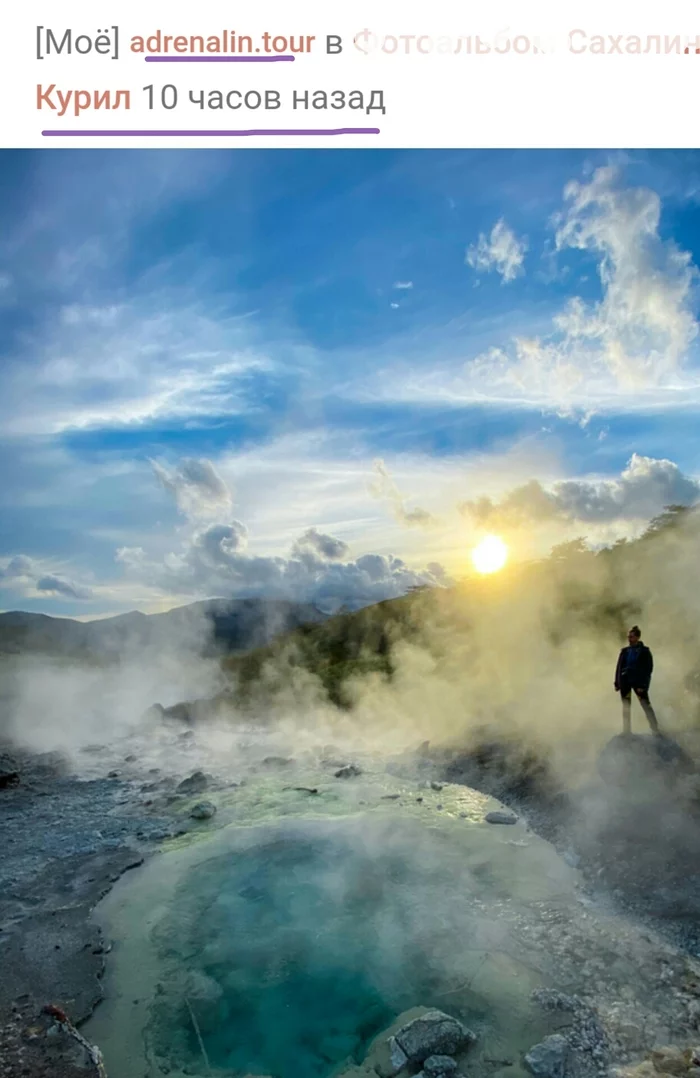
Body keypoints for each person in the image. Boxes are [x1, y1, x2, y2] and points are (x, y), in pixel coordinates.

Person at [614, 625, 660, 735]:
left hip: (638, 683)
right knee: (626, 706)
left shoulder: (644, 651)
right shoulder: (625, 651)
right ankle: (626, 731)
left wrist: (643, 686)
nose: (629, 639)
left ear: (637, 637)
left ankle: (655, 729)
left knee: (645, 704)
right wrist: (617, 682)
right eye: (628, 637)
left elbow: (648, 669)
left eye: (632, 637)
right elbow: (619, 667)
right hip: (625, 682)